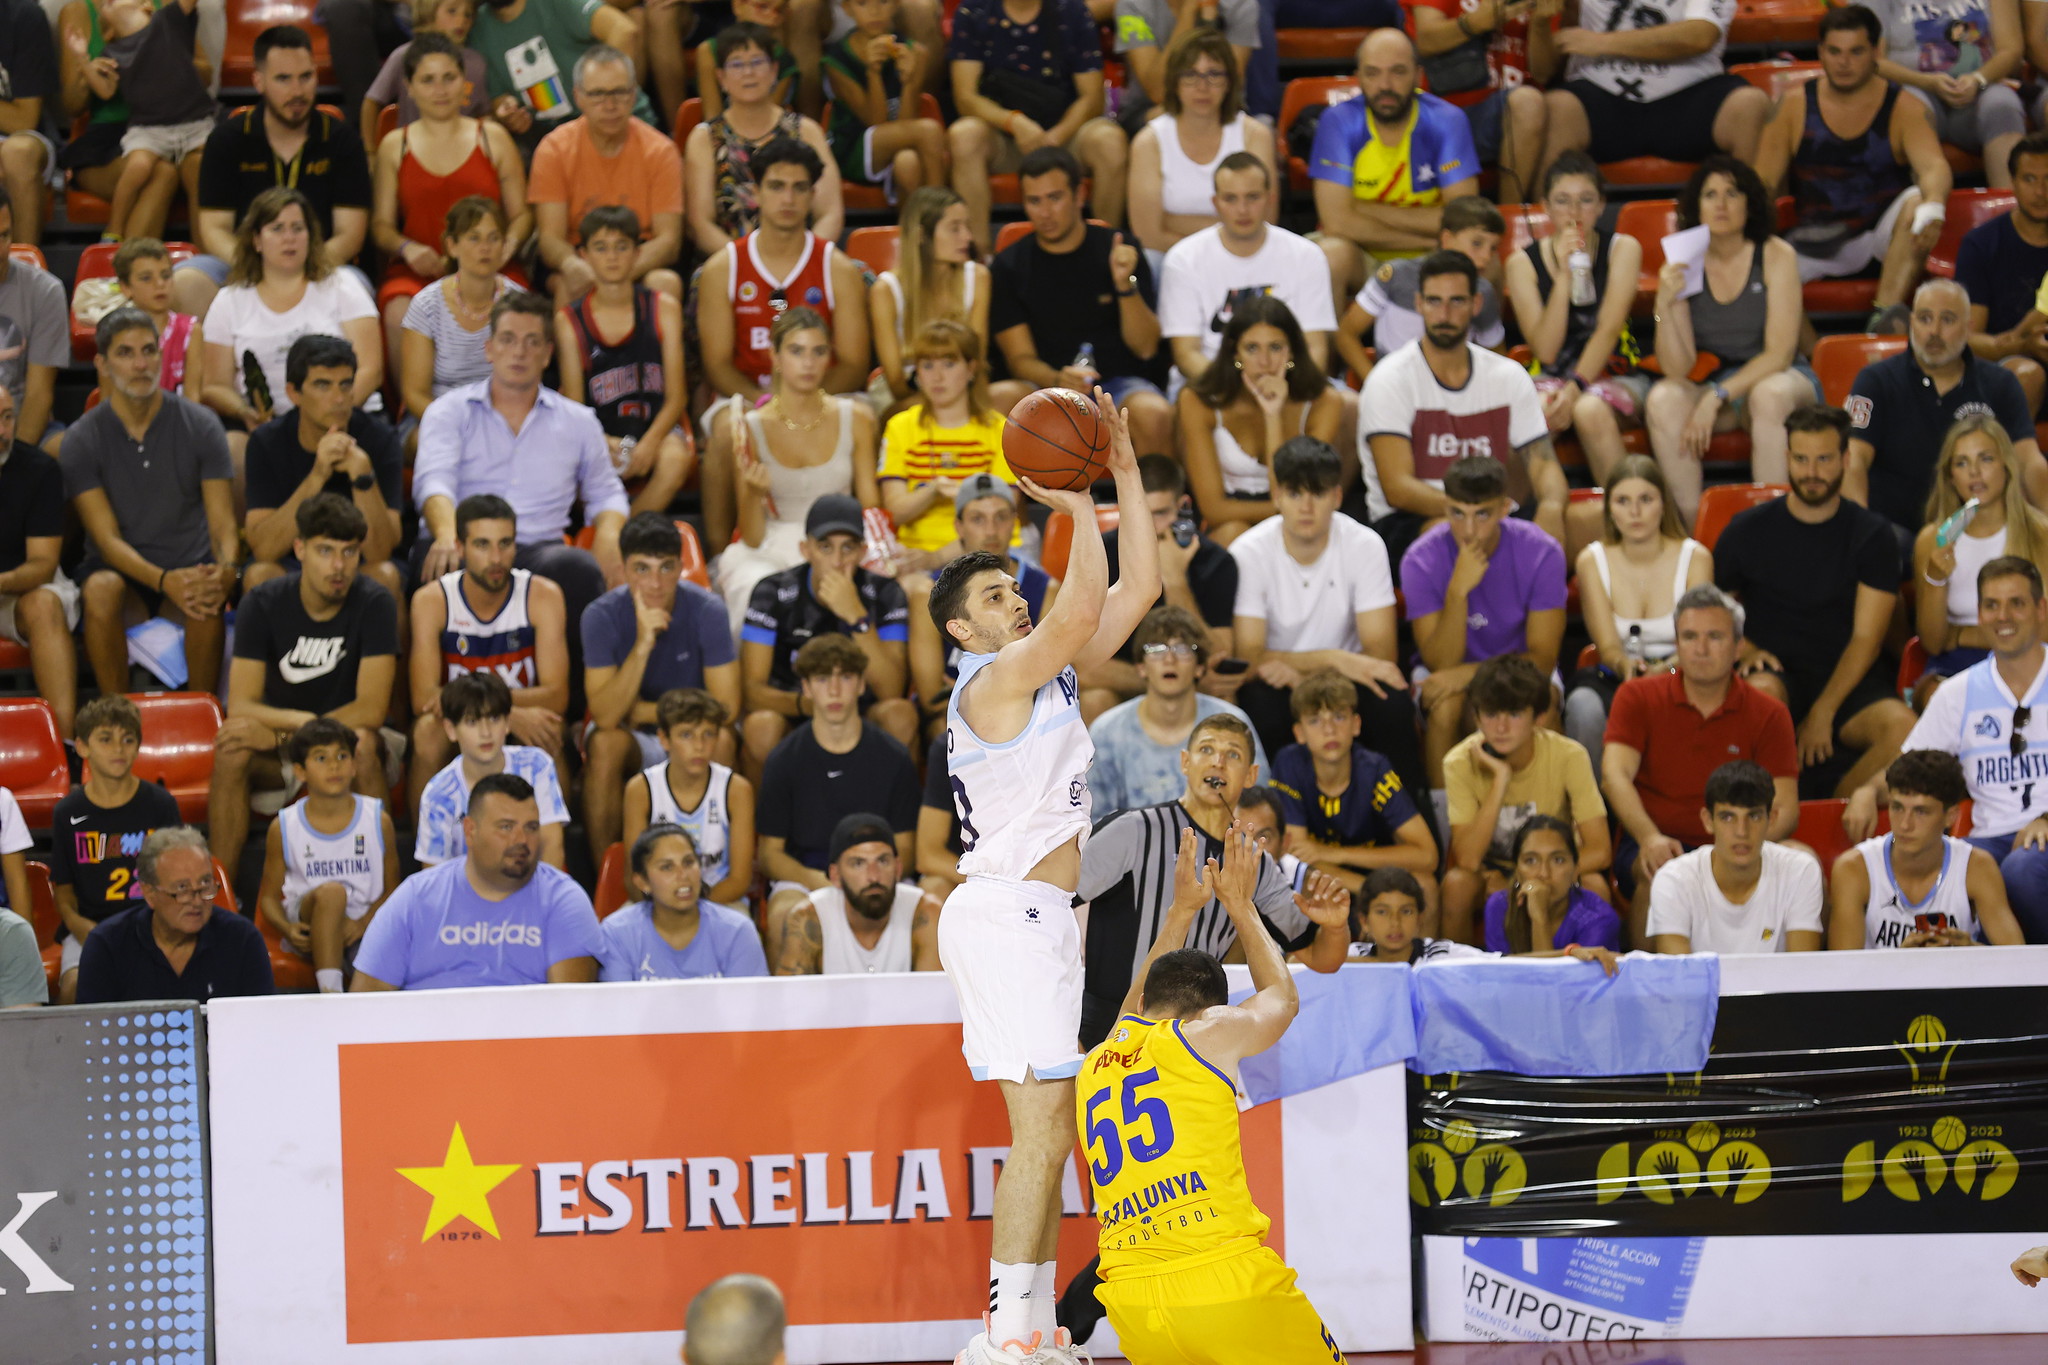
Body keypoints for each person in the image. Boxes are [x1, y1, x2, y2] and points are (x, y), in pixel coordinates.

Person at [926, 384, 1157, 1364]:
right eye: (990, 598)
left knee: (1050, 1135)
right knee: (1039, 1135)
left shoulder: (1041, 674)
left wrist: (1125, 474)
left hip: (1039, 919)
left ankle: (1029, 1334)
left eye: (1011, 586)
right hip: (1006, 914)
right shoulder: (988, 681)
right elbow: (1075, 615)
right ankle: (1002, 1338)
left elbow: (1133, 593)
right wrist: (1073, 505)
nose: (1010, 598)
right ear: (961, 635)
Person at [1075, 823, 1341, 1365]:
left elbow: (1134, 1005)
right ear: (1209, 1010)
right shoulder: (1205, 1034)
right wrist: (1240, 906)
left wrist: (1180, 911)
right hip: (1219, 1278)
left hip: (1131, 1298)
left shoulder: (1097, 1060)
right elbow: (1282, 999)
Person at [1077, 709, 1347, 1034]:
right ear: (1185, 762)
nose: (1218, 761)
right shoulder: (1133, 830)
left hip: (1192, 1036)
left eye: (1232, 754)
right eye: (1206, 749)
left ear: (1251, 775)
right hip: (1104, 1029)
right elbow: (1054, 901)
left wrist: (1334, 928)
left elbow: (1323, 959)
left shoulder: (1253, 861)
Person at [1715, 404, 1919, 797]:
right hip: (1777, 673)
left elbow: (1866, 638)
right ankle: (1765, 814)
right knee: (1757, 697)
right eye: (1802, 459)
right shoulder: (1746, 530)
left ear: (1845, 459)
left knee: (1905, 729)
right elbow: (1712, 612)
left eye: (1824, 459)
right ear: (1787, 458)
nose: (1812, 472)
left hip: (1851, 679)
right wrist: (1749, 646)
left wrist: (1823, 713)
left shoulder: (1872, 536)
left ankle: (1834, 815)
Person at [1847, 554, 2048, 941]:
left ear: (2040, 609)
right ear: (1979, 614)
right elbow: (1910, 769)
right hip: (1990, 840)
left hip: (2040, 840)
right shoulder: (1958, 692)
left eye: (2016, 603)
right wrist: (1867, 791)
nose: (2003, 616)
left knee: (2022, 871)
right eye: (1991, 605)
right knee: (1949, 868)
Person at [413, 291, 631, 635]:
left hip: (538, 550)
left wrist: (608, 533)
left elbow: (606, 493)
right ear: (489, 348)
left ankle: (576, 689)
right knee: (435, 557)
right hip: (463, 542)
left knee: (578, 568)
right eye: (508, 339)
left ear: (547, 354)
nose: (519, 352)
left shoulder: (579, 421)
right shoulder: (448, 411)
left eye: (532, 342)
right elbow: (433, 482)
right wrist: (446, 533)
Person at [1228, 437, 1426, 808]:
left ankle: (1410, 823)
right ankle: (1273, 826)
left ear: (1337, 496)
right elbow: (1250, 657)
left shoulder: (1364, 544)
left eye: (1317, 494)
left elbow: (1381, 654)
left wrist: (1315, 671)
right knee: (1259, 704)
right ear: (1276, 495)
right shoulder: (1248, 551)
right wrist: (1335, 659)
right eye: (1294, 493)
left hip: (1346, 682)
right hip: (1282, 683)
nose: (1306, 506)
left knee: (1392, 703)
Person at [208, 495, 398, 877]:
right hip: (286, 742)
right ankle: (219, 891)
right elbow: (242, 705)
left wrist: (290, 733)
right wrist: (296, 727)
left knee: (362, 742)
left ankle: (385, 892)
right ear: (300, 549)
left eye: (349, 552)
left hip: (346, 739)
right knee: (231, 747)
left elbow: (371, 709)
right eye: (325, 550)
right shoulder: (262, 602)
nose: (338, 565)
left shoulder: (375, 602)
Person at [1602, 583, 1800, 941]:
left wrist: (1738, 847)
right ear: (1676, 644)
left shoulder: (1769, 712)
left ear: (1739, 647)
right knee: (1658, 876)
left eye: (1715, 637)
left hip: (1743, 838)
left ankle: (1806, 989)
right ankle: (1650, 991)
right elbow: (1614, 775)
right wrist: (1649, 837)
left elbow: (1785, 806)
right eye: (1690, 637)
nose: (1701, 649)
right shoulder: (1637, 696)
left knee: (1804, 863)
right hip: (1659, 839)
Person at [66, 307, 237, 700]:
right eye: (125, 353)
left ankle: (203, 716)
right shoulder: (81, 438)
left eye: (149, 351)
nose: (141, 364)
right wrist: (163, 581)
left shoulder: (201, 424)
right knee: (101, 588)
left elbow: (223, 525)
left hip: (189, 567)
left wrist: (227, 570)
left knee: (206, 589)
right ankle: (113, 714)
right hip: (121, 576)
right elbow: (106, 540)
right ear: (102, 364)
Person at [1753, 5, 1951, 335]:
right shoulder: (1793, 106)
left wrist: (1934, 205)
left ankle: (1883, 318)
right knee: (1756, 264)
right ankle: (1813, 360)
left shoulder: (1904, 107)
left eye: (1856, 51)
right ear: (1821, 53)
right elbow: (1762, 183)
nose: (1843, 62)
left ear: (1876, 52)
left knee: (1919, 203)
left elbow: (1934, 166)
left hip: (1881, 237)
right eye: (1834, 51)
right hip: (1815, 237)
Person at [1645, 156, 1818, 527]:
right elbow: (1678, 367)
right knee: (1663, 398)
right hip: (1713, 383)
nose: (1721, 203)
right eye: (1710, 194)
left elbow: (1780, 353)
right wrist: (1663, 305)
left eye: (1732, 193)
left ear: (1749, 203)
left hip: (1778, 377)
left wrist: (1716, 395)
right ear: (1697, 206)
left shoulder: (1774, 253)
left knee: (1768, 395)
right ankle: (1692, 531)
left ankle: (1772, 528)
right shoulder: (1685, 257)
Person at [1362, 248, 1565, 560]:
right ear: (1419, 303)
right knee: (1449, 534)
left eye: (1456, 301)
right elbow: (1398, 488)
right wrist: (1479, 515)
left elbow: (1542, 462)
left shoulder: (1507, 375)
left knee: (1583, 522)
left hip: (1494, 515)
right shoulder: (1389, 379)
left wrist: (1551, 507)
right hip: (1410, 520)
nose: (1444, 314)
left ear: (1476, 304)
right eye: (1434, 301)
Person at [991, 144, 1173, 456]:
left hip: (1117, 386)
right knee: (996, 399)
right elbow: (1019, 359)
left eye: (1055, 198)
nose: (1045, 212)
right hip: (1043, 387)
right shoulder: (1009, 265)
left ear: (1079, 196)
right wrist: (1057, 379)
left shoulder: (1120, 249)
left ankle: (1153, 505)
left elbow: (1145, 346)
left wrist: (1124, 285)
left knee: (1153, 413)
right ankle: (1004, 506)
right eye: (1034, 201)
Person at [583, 511, 743, 864]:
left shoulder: (707, 610)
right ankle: (608, 882)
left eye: (666, 568)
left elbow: (727, 706)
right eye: (642, 569)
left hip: (691, 734)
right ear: (624, 569)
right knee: (605, 744)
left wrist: (640, 710)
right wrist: (642, 645)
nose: (655, 583)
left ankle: (720, 868)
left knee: (725, 739)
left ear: (681, 566)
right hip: (636, 738)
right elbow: (607, 716)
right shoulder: (600, 615)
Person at [180, 28, 372, 319]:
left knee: (357, 286)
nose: (297, 91)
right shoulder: (227, 139)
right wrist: (259, 269)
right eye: (283, 79)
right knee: (185, 282)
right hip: (243, 265)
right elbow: (214, 228)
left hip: (319, 265)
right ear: (259, 81)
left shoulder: (342, 140)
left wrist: (301, 269)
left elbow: (350, 234)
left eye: (305, 77)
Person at [1402, 455, 1567, 790]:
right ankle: (1446, 830)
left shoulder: (1543, 552)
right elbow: (1440, 663)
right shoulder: (1420, 559)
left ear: (1505, 508)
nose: (1469, 530)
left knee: (1542, 703)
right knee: (1444, 707)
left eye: (1483, 515)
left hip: (1519, 668)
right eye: (1457, 514)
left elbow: (1542, 660)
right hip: (1447, 666)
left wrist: (1467, 673)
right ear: (1444, 507)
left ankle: (1550, 820)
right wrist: (1458, 592)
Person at [351, 774, 604, 990]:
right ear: (470, 831)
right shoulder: (415, 898)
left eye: (531, 827)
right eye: (506, 827)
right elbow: (364, 1008)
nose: (522, 840)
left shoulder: (564, 900)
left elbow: (570, 1017)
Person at [370, 32, 530, 370]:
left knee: (519, 308)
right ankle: (412, 414)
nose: (440, 90)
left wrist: (506, 247)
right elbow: (381, 227)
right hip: (421, 269)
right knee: (399, 308)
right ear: (409, 87)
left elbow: (522, 215)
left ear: (464, 83)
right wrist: (407, 249)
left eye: (449, 78)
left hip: (490, 263)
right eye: (427, 80)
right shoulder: (394, 145)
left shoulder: (493, 137)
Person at [709, 307, 879, 625]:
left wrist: (845, 553)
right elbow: (753, 537)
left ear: (829, 357)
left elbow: (870, 506)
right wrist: (752, 492)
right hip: (773, 544)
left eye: (818, 351)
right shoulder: (750, 427)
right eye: (796, 351)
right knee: (751, 585)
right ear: (774, 357)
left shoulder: (856, 418)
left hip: (841, 543)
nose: (808, 362)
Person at [1848, 277, 2044, 547]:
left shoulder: (2000, 385)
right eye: (1925, 319)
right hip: (1894, 531)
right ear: (1912, 322)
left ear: (1968, 328)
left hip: (1977, 528)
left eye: (1948, 320)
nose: (1934, 331)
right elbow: (1853, 460)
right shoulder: (1876, 381)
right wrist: (1860, 528)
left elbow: (2029, 461)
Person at [694, 135, 871, 434]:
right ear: (755, 193)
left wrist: (803, 403)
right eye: (776, 186)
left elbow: (854, 366)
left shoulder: (838, 269)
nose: (788, 199)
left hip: (823, 394)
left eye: (799, 188)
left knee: (863, 421)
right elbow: (718, 366)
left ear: (813, 194)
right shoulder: (723, 268)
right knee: (727, 432)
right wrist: (767, 403)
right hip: (749, 397)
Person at [408, 494, 571, 812]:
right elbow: (424, 696)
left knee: (547, 728)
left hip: (506, 718)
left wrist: (500, 713)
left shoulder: (542, 595)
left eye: (505, 543)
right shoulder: (432, 600)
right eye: (482, 545)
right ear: (459, 547)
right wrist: (505, 712)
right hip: (473, 721)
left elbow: (556, 696)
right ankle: (425, 855)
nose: (496, 557)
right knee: (428, 731)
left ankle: (555, 851)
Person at [200, 189, 383, 471]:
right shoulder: (229, 301)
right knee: (232, 450)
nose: (289, 238)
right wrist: (244, 412)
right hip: (268, 428)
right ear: (256, 240)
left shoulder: (343, 285)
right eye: (277, 229)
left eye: (298, 228)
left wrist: (329, 416)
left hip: (346, 418)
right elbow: (214, 386)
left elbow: (371, 369)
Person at [756, 632, 921, 944]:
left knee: (927, 913)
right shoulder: (783, 760)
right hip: (808, 875)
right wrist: (819, 881)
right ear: (805, 687)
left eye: (845, 677)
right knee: (784, 914)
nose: (834, 690)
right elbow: (769, 854)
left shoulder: (893, 757)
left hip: (878, 874)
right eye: (821, 679)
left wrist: (867, 878)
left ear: (861, 684)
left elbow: (907, 849)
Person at [1308, 29, 1482, 315]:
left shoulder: (1447, 121)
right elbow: (1338, 225)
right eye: (1373, 73)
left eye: (1398, 72)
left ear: (1418, 75)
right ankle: (1327, 360)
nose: (1385, 85)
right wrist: (1433, 236)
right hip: (1364, 255)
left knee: (1485, 258)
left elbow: (1463, 221)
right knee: (1329, 255)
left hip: (1436, 258)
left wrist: (1364, 210)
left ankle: (1488, 357)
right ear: (1359, 77)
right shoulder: (1338, 122)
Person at [739, 493, 917, 768]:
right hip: (796, 709)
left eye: (847, 548)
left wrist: (856, 616)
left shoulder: (885, 592)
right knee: (761, 726)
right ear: (805, 549)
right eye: (825, 548)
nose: (837, 561)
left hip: (862, 711)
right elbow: (752, 691)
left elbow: (891, 690)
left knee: (900, 715)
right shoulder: (771, 592)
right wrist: (811, 706)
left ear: (862, 551)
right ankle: (768, 812)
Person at [1503, 152, 1648, 487]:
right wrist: (1566, 276)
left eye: (1586, 200)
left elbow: (1609, 328)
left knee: (1589, 410)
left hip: (1612, 370)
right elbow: (1547, 351)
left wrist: (1576, 389)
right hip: (1552, 373)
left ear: (1601, 205)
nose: (1574, 212)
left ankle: (1624, 519)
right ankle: (1525, 519)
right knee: (1537, 412)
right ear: (1546, 207)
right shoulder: (1521, 263)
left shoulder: (1623, 249)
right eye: (1563, 201)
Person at [1442, 655, 1609, 943]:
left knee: (1594, 884)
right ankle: (1459, 975)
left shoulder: (1569, 755)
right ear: (1477, 717)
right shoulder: (1458, 762)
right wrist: (1500, 779)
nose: (1501, 727)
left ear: (1539, 717)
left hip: (1553, 867)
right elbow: (1468, 860)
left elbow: (1600, 849)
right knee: (1457, 884)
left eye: (1515, 714)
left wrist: (1533, 879)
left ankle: (1592, 976)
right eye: (1491, 715)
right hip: (1491, 872)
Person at [1563, 455, 1714, 766]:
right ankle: (1595, 810)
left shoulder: (1696, 558)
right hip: (1618, 675)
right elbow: (1607, 647)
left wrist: (1667, 669)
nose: (1635, 512)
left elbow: (1702, 638)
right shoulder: (1591, 561)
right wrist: (1625, 666)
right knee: (1583, 706)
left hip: (1685, 672)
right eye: (1622, 501)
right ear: (1609, 509)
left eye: (1646, 499)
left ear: (1663, 504)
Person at [944, 0, 1128, 247]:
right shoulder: (974, 10)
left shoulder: (1072, 10)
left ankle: (1106, 254)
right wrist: (1014, 123)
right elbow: (965, 97)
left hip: (1065, 136)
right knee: (964, 135)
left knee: (1110, 141)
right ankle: (979, 259)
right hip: (1005, 137)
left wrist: (1054, 138)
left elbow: (1091, 97)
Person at [242, 334, 405, 602]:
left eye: (345, 385)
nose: (339, 398)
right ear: (294, 393)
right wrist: (317, 476)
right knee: (260, 576)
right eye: (323, 385)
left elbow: (380, 553)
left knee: (384, 576)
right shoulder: (266, 442)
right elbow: (264, 549)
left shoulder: (381, 439)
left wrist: (363, 476)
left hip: (357, 561)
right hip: (294, 561)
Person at [554, 206, 693, 514]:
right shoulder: (569, 320)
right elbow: (575, 406)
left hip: (655, 428)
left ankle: (628, 537)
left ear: (637, 252)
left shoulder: (663, 307)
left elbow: (677, 396)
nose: (612, 257)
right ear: (584, 255)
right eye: (601, 248)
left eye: (621, 247)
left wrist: (649, 443)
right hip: (599, 432)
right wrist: (601, 441)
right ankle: (608, 532)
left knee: (675, 460)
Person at [1076, 454, 1236, 722]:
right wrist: (1162, 682)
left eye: (1160, 513)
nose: (1148, 527)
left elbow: (1217, 657)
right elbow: (1082, 666)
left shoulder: (1216, 562)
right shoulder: (1098, 553)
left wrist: (1175, 580)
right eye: (1139, 513)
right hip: (1130, 685)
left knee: (1224, 697)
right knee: (1095, 698)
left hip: (1190, 685)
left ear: (1183, 506)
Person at [1157, 153, 1337, 384]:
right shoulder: (1183, 259)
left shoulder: (1306, 256)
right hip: (1212, 385)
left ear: (1270, 198)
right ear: (1215, 203)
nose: (1242, 209)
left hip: (1290, 383)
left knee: (1348, 404)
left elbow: (1315, 349)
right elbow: (1187, 354)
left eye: (1252, 197)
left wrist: (1284, 390)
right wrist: (1241, 393)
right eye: (1230, 198)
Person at [529, 46, 684, 308]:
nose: (610, 105)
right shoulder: (553, 149)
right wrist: (576, 265)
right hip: (578, 255)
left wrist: (613, 273)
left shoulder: (660, 150)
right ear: (579, 97)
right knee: (569, 285)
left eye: (619, 93)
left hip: (638, 254)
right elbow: (550, 239)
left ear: (634, 94)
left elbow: (668, 241)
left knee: (665, 283)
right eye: (598, 94)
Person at [1179, 295, 1342, 545]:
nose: (1264, 362)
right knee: (1234, 532)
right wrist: (1282, 509)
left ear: (1292, 351)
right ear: (1235, 351)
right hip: (1230, 525)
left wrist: (1272, 415)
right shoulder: (1198, 400)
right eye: (1252, 348)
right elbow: (1213, 508)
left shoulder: (1324, 402)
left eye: (1275, 347)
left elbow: (1300, 488)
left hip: (1300, 522)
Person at [48, 695, 180, 1004]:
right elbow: (63, 893)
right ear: (82, 747)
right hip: (91, 928)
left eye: (127, 739)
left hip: (154, 924)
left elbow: (178, 878)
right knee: (74, 985)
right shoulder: (68, 811)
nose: (118, 749)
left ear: (138, 746)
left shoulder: (160, 804)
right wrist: (82, 929)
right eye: (105, 739)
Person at [1539, 0, 1769, 176]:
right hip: (1600, 93)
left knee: (1750, 105)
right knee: (1555, 108)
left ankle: (1757, 231)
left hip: (1690, 97)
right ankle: (1543, 233)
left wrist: (1600, 42)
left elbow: (1700, 35)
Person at [907, 474, 1058, 741]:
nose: (991, 530)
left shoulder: (1044, 588)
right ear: (959, 526)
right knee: (945, 731)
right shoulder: (928, 594)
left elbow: (1054, 671)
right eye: (978, 519)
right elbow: (932, 697)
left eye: (1001, 517)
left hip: (1028, 705)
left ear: (1014, 521)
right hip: (953, 712)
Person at [256, 717, 399, 993]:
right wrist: (288, 929)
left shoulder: (378, 820)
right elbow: (270, 898)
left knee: (379, 985)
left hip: (364, 923)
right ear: (300, 771)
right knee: (332, 893)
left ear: (355, 765)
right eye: (321, 758)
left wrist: (361, 924)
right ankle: (330, 994)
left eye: (342, 756)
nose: (334, 766)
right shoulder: (284, 825)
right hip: (310, 917)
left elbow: (392, 890)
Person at [1267, 666, 1438, 898]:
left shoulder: (1374, 769)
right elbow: (1296, 855)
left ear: (1356, 724)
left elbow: (1427, 856)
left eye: (1339, 717)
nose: (1329, 730)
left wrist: (1336, 854)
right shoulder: (1289, 764)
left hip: (1372, 868)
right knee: (1306, 881)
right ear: (1299, 733)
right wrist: (1371, 891)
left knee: (1425, 884)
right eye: (1315, 720)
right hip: (1328, 878)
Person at [1125, 26, 1277, 282]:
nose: (1202, 87)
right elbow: (1148, 235)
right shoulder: (1149, 141)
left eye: (1214, 74)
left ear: (1229, 82)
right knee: (1148, 261)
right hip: (1172, 257)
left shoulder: (1255, 135)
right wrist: (1223, 230)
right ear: (1174, 82)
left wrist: (1172, 220)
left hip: (1244, 254)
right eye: (1190, 75)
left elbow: (1264, 219)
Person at [1832, 748, 2025, 947]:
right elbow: (1843, 972)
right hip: (1880, 979)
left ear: (1951, 816)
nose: (1905, 824)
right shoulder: (1854, 869)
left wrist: (1969, 951)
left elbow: (2016, 962)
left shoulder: (1976, 867)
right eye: (1897, 808)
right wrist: (1903, 961)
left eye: (1921, 811)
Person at [1911, 415, 2048, 692]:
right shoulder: (1932, 540)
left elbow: (2043, 633)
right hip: (1954, 666)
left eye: (1985, 459)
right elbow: (1934, 642)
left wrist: (1961, 634)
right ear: (1950, 476)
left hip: (2028, 659)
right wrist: (1936, 580)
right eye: (1962, 463)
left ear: (2006, 466)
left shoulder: (2041, 534)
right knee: (1935, 694)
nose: (1974, 472)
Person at [683, 23, 845, 258]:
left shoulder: (806, 130)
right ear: (721, 78)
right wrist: (749, 264)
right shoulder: (704, 138)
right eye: (737, 64)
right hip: (730, 262)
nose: (748, 72)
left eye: (757, 62)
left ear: (774, 71)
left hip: (803, 258)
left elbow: (830, 213)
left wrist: (805, 259)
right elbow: (700, 223)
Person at [1086, 604, 1268, 811]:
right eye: (1156, 649)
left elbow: (1257, 810)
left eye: (1182, 649)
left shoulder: (1233, 725)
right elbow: (1096, 824)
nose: (1169, 659)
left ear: (1200, 667)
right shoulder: (1107, 732)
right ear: (1141, 667)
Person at [75, 826, 275, 1003]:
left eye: (205, 884)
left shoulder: (242, 940)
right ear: (149, 893)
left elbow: (261, 1029)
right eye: (182, 889)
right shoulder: (107, 945)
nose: (197, 901)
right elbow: (92, 1036)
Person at [1647, 760, 1825, 954]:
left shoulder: (1799, 871)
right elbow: (1680, 977)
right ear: (1708, 820)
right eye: (1728, 817)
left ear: (1771, 819)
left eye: (1754, 816)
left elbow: (1800, 973)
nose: (1742, 831)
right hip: (1702, 986)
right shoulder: (1674, 880)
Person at [878, 319, 1014, 572]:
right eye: (927, 365)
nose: (937, 377)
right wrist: (933, 490)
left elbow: (999, 524)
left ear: (971, 368)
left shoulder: (998, 429)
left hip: (985, 556)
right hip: (914, 555)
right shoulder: (899, 426)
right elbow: (895, 512)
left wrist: (937, 558)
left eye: (949, 364)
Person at [71, 0, 211, 244]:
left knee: (207, 164)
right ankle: (114, 231)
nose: (108, 3)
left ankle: (209, 260)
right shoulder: (113, 51)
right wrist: (83, 61)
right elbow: (104, 91)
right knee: (142, 167)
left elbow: (206, 71)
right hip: (146, 128)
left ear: (147, 7)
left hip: (191, 122)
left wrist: (175, 62)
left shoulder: (166, 22)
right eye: (105, 5)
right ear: (110, 31)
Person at [1335, 195, 1507, 386]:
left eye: (1493, 248)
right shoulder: (1396, 276)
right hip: (1396, 387)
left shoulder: (1482, 292)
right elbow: (1346, 334)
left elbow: (1497, 356)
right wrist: (1376, 383)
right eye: (1477, 243)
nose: (1486, 256)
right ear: (1447, 239)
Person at [415, 671, 572, 870]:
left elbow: (551, 847)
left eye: (494, 719)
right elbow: (434, 878)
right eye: (472, 722)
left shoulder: (536, 766)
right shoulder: (438, 794)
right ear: (451, 729)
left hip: (533, 892)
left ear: (508, 723)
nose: (486, 732)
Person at [1407, 0, 1556, 203]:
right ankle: (1509, 217)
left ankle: (1515, 219)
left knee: (1547, 105)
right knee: (1527, 102)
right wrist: (1474, 23)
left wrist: (1540, 24)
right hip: (1450, 112)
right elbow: (1425, 40)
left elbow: (1544, 73)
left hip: (1519, 117)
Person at [1869, 0, 2026, 191]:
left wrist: (1978, 79)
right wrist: (1925, 81)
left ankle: (2010, 209)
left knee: (2003, 103)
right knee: (1911, 107)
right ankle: (1927, 208)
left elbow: (2011, 49)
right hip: (1914, 85)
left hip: (1980, 86)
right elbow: (1872, 60)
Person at [621, 689, 755, 907]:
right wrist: (668, 911)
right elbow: (634, 876)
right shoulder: (641, 789)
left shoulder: (737, 790)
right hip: (656, 905)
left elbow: (739, 880)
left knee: (742, 929)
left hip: (719, 902)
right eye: (686, 735)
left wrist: (688, 909)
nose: (699, 746)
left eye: (708, 734)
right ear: (664, 739)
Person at [399, 196, 523, 424]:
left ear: (504, 245)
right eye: (474, 238)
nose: (485, 248)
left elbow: (527, 382)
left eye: (494, 238)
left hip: (504, 418)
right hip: (439, 417)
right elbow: (415, 394)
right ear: (452, 246)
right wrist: (460, 427)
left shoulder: (520, 304)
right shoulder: (426, 305)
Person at [772, 811, 943, 973]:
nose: (874, 876)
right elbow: (792, 1002)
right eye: (858, 864)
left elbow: (935, 999)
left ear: (898, 868)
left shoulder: (925, 912)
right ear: (835, 875)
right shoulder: (808, 917)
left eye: (883, 861)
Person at [468, 0, 650, 151]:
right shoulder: (478, 30)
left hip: (616, 123)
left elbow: (623, 31)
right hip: (555, 143)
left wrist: (602, 95)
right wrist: (508, 113)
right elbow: (498, 97)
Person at [869, 187, 994, 405]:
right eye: (955, 228)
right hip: (907, 395)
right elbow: (896, 382)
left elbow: (977, 362)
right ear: (920, 235)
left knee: (1013, 393)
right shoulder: (886, 290)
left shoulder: (978, 277)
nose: (967, 237)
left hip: (963, 389)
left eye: (967, 226)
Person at [598, 823, 768, 981]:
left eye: (688, 862)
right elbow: (619, 1010)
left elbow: (747, 1009)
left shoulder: (737, 932)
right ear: (643, 882)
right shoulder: (617, 934)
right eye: (667, 867)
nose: (683, 875)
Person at [0, 383, 76, 737]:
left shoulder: (38, 469)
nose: (2, 431)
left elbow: (42, 564)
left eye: (7, 418)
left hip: (19, 587)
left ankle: (64, 748)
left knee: (45, 606)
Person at [1956, 131, 2048, 411]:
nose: (2041, 192)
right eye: (2029, 179)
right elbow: (1967, 338)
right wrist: (2019, 345)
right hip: (2008, 364)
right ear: (2012, 183)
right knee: (2027, 374)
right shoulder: (1981, 244)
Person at [819, 0, 947, 200]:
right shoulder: (835, 60)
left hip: (897, 141)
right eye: (862, 3)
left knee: (908, 161)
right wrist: (873, 73)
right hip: (852, 147)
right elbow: (875, 123)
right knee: (929, 130)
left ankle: (912, 226)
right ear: (847, 9)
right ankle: (941, 210)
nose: (874, 11)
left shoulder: (916, 53)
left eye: (883, 1)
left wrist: (909, 82)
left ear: (896, 5)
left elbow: (906, 122)